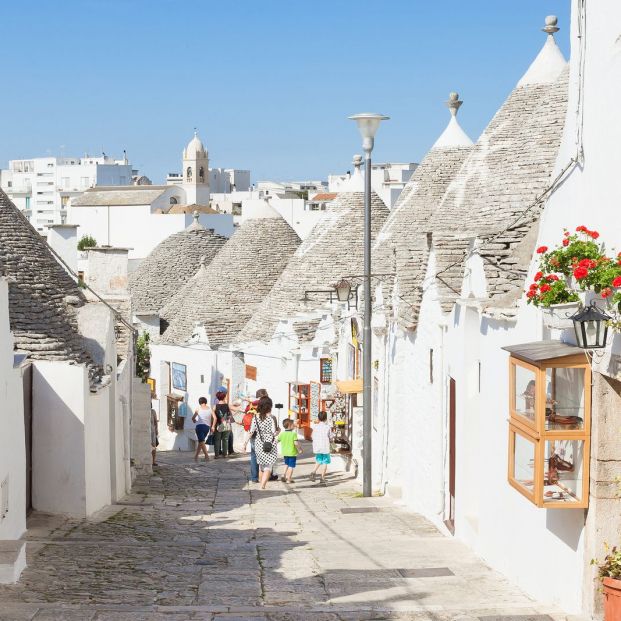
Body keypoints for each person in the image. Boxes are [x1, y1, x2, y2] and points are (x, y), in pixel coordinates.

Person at [246, 396, 278, 489]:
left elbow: (251, 431)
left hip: (259, 443)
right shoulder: (271, 418)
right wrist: (278, 431)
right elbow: (273, 432)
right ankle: (262, 486)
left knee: (261, 466)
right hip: (269, 443)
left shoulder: (255, 417)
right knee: (268, 466)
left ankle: (261, 483)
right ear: (269, 406)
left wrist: (245, 443)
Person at [309, 411, 332, 483]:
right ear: (326, 419)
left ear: (318, 418)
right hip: (325, 447)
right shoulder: (327, 427)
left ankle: (313, 472)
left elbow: (312, 436)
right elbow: (331, 436)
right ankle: (322, 478)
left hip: (318, 447)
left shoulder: (315, 427)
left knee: (318, 460)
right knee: (325, 462)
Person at [278, 418, 302, 483]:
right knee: (291, 466)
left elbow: (277, 440)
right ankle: (289, 479)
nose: (294, 425)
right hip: (292, 453)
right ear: (289, 425)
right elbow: (296, 443)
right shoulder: (293, 434)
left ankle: (283, 475)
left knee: (286, 464)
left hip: (285, 452)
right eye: (293, 424)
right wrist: (299, 449)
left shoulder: (282, 434)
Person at [212, 390, 231, 458]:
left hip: (219, 425)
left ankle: (217, 455)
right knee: (225, 440)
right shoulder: (227, 405)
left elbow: (213, 416)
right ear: (224, 397)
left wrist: (213, 426)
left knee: (217, 440)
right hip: (227, 425)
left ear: (217, 398)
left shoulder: (215, 406)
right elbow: (229, 416)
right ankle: (225, 454)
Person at [192, 397, 211, 463]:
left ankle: (207, 456)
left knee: (201, 441)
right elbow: (215, 418)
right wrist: (213, 426)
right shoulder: (210, 409)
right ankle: (196, 456)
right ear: (205, 402)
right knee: (201, 442)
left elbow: (193, 418)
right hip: (207, 427)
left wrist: (195, 420)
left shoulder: (198, 409)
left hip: (199, 426)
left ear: (200, 402)